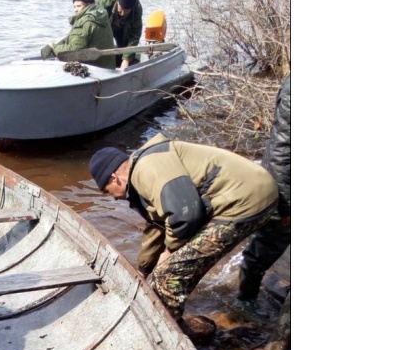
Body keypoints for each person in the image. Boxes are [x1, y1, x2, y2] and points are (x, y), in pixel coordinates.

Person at [89, 134, 278, 336]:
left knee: (168, 274)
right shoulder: (144, 171)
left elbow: (184, 215)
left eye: (107, 191)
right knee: (168, 271)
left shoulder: (148, 169)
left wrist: (169, 252)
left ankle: (168, 333)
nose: (113, 198)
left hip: (244, 202)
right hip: (252, 194)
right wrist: (144, 269)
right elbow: (157, 227)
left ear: (114, 178)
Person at [234, 75, 291, 305]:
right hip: (284, 182)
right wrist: (286, 205)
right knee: (269, 242)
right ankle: (245, 300)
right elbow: (282, 151)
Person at [40, 0, 116, 70]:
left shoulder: (84, 22)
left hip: (94, 71)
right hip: (108, 67)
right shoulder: (102, 18)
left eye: (79, 6)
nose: (76, 10)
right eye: (74, 7)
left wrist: (54, 48)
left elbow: (73, 51)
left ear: (88, 5)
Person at [97, 0, 143, 69]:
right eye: (121, 10)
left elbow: (135, 36)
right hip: (105, 26)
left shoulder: (137, 9)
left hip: (123, 28)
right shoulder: (104, 2)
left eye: (127, 11)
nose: (123, 14)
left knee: (125, 53)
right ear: (117, 2)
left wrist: (126, 59)